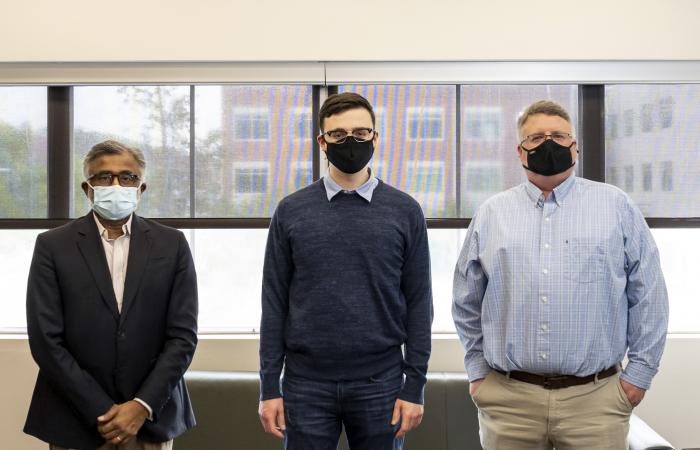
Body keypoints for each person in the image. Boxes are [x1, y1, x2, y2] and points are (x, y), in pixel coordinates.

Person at [452, 100, 669, 450]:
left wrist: (638, 377)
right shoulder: (492, 213)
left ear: (575, 147)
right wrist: (478, 372)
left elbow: (649, 294)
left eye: (558, 135)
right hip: (509, 403)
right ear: (520, 152)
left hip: (596, 402)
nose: (547, 143)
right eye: (536, 137)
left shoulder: (616, 206)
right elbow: (466, 300)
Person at [258, 92, 433, 450]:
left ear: (375, 138)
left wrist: (415, 385)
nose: (350, 141)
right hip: (305, 385)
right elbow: (273, 304)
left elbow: (419, 303)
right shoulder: (291, 211)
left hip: (381, 383)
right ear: (322, 142)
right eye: (338, 134)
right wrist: (268, 387)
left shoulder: (405, 211)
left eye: (361, 132)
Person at [25, 140, 198, 450]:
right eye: (104, 177)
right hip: (73, 419)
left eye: (127, 177)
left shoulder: (172, 244)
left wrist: (140, 406)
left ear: (141, 188)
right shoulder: (52, 246)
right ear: (87, 188)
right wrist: (102, 412)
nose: (116, 184)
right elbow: (46, 340)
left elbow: (182, 337)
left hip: (151, 420)